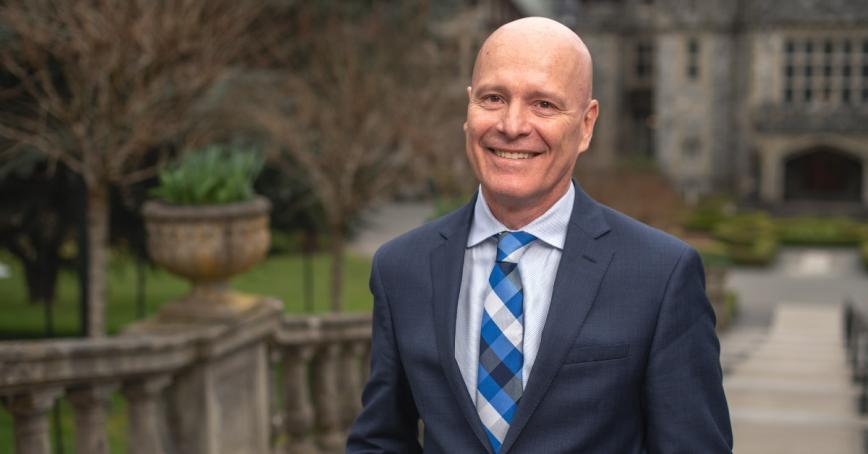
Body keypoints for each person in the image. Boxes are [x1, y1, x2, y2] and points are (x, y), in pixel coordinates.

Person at [347, 17, 732, 454]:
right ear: (468, 109)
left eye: (544, 105)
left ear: (586, 125)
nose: (512, 125)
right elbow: (381, 439)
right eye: (494, 98)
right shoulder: (402, 268)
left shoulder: (660, 275)